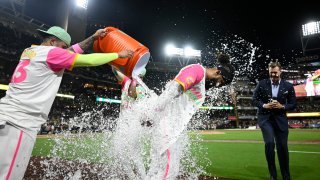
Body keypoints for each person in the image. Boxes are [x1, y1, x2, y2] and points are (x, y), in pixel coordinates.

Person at [0, 26, 133, 179]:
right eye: (63, 47)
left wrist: (93, 38)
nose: (65, 51)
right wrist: (118, 54)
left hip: (7, 115)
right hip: (19, 124)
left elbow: (69, 51)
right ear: (52, 41)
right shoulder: (52, 53)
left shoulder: (30, 51)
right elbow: (88, 60)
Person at [144, 53, 235, 179]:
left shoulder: (201, 81)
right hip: (167, 127)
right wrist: (152, 114)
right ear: (218, 72)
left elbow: (180, 96)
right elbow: (172, 91)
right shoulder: (197, 70)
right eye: (221, 82)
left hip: (171, 127)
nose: (218, 86)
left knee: (157, 170)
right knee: (168, 172)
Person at [252, 61, 296, 180]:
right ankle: (273, 174)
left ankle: (286, 176)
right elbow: (254, 100)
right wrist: (264, 105)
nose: (273, 75)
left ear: (280, 71)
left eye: (275, 73)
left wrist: (283, 106)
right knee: (270, 143)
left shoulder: (288, 86)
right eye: (271, 73)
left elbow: (293, 104)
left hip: (280, 119)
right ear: (269, 71)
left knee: (282, 147)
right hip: (265, 119)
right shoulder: (261, 84)